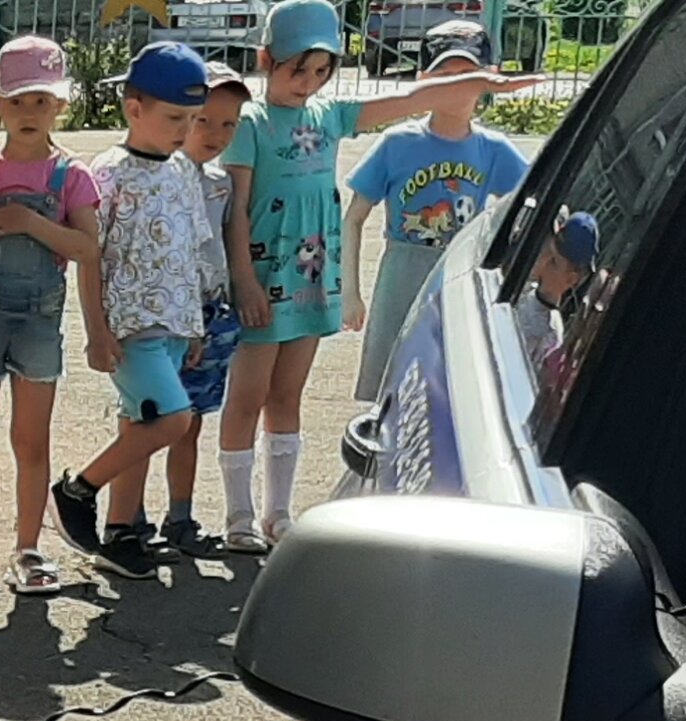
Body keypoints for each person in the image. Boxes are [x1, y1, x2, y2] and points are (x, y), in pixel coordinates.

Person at [217, 0, 534, 550]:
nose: (309, 83)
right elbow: (236, 207)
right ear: (267, 59)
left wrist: (482, 82)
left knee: (287, 396)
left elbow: (409, 98)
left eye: (322, 72)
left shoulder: (330, 117)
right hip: (263, 279)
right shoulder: (252, 123)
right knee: (247, 395)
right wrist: (243, 280)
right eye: (298, 69)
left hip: (311, 278)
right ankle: (238, 516)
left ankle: (278, 513)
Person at [47, 44, 222, 583]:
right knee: (174, 419)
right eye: (174, 118)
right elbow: (90, 256)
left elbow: (191, 253)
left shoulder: (184, 174)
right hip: (129, 329)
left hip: (174, 326)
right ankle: (77, 491)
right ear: (133, 107)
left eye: (191, 120)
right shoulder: (106, 174)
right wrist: (96, 331)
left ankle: (121, 533)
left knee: (142, 424)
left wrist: (195, 324)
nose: (183, 130)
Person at [0, 37, 102, 598]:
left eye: (41, 101)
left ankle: (29, 547)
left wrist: (30, 222)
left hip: (39, 322)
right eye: (17, 101)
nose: (29, 112)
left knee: (31, 441)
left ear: (60, 105)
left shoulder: (71, 176)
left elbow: (87, 248)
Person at [343, 21, 528, 405]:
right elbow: (354, 217)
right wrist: (350, 292)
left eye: (468, 76)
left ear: (490, 79)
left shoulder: (493, 149)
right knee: (390, 385)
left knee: (451, 386)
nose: (457, 88)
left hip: (457, 274)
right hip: (403, 271)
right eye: (445, 76)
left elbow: (532, 205)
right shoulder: (398, 143)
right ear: (425, 80)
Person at [152, 60, 252, 556]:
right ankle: (125, 518)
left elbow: (227, 245)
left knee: (190, 423)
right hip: (168, 316)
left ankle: (180, 518)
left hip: (213, 313)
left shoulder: (220, 182)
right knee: (150, 419)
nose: (215, 132)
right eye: (204, 119)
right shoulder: (162, 176)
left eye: (228, 123)